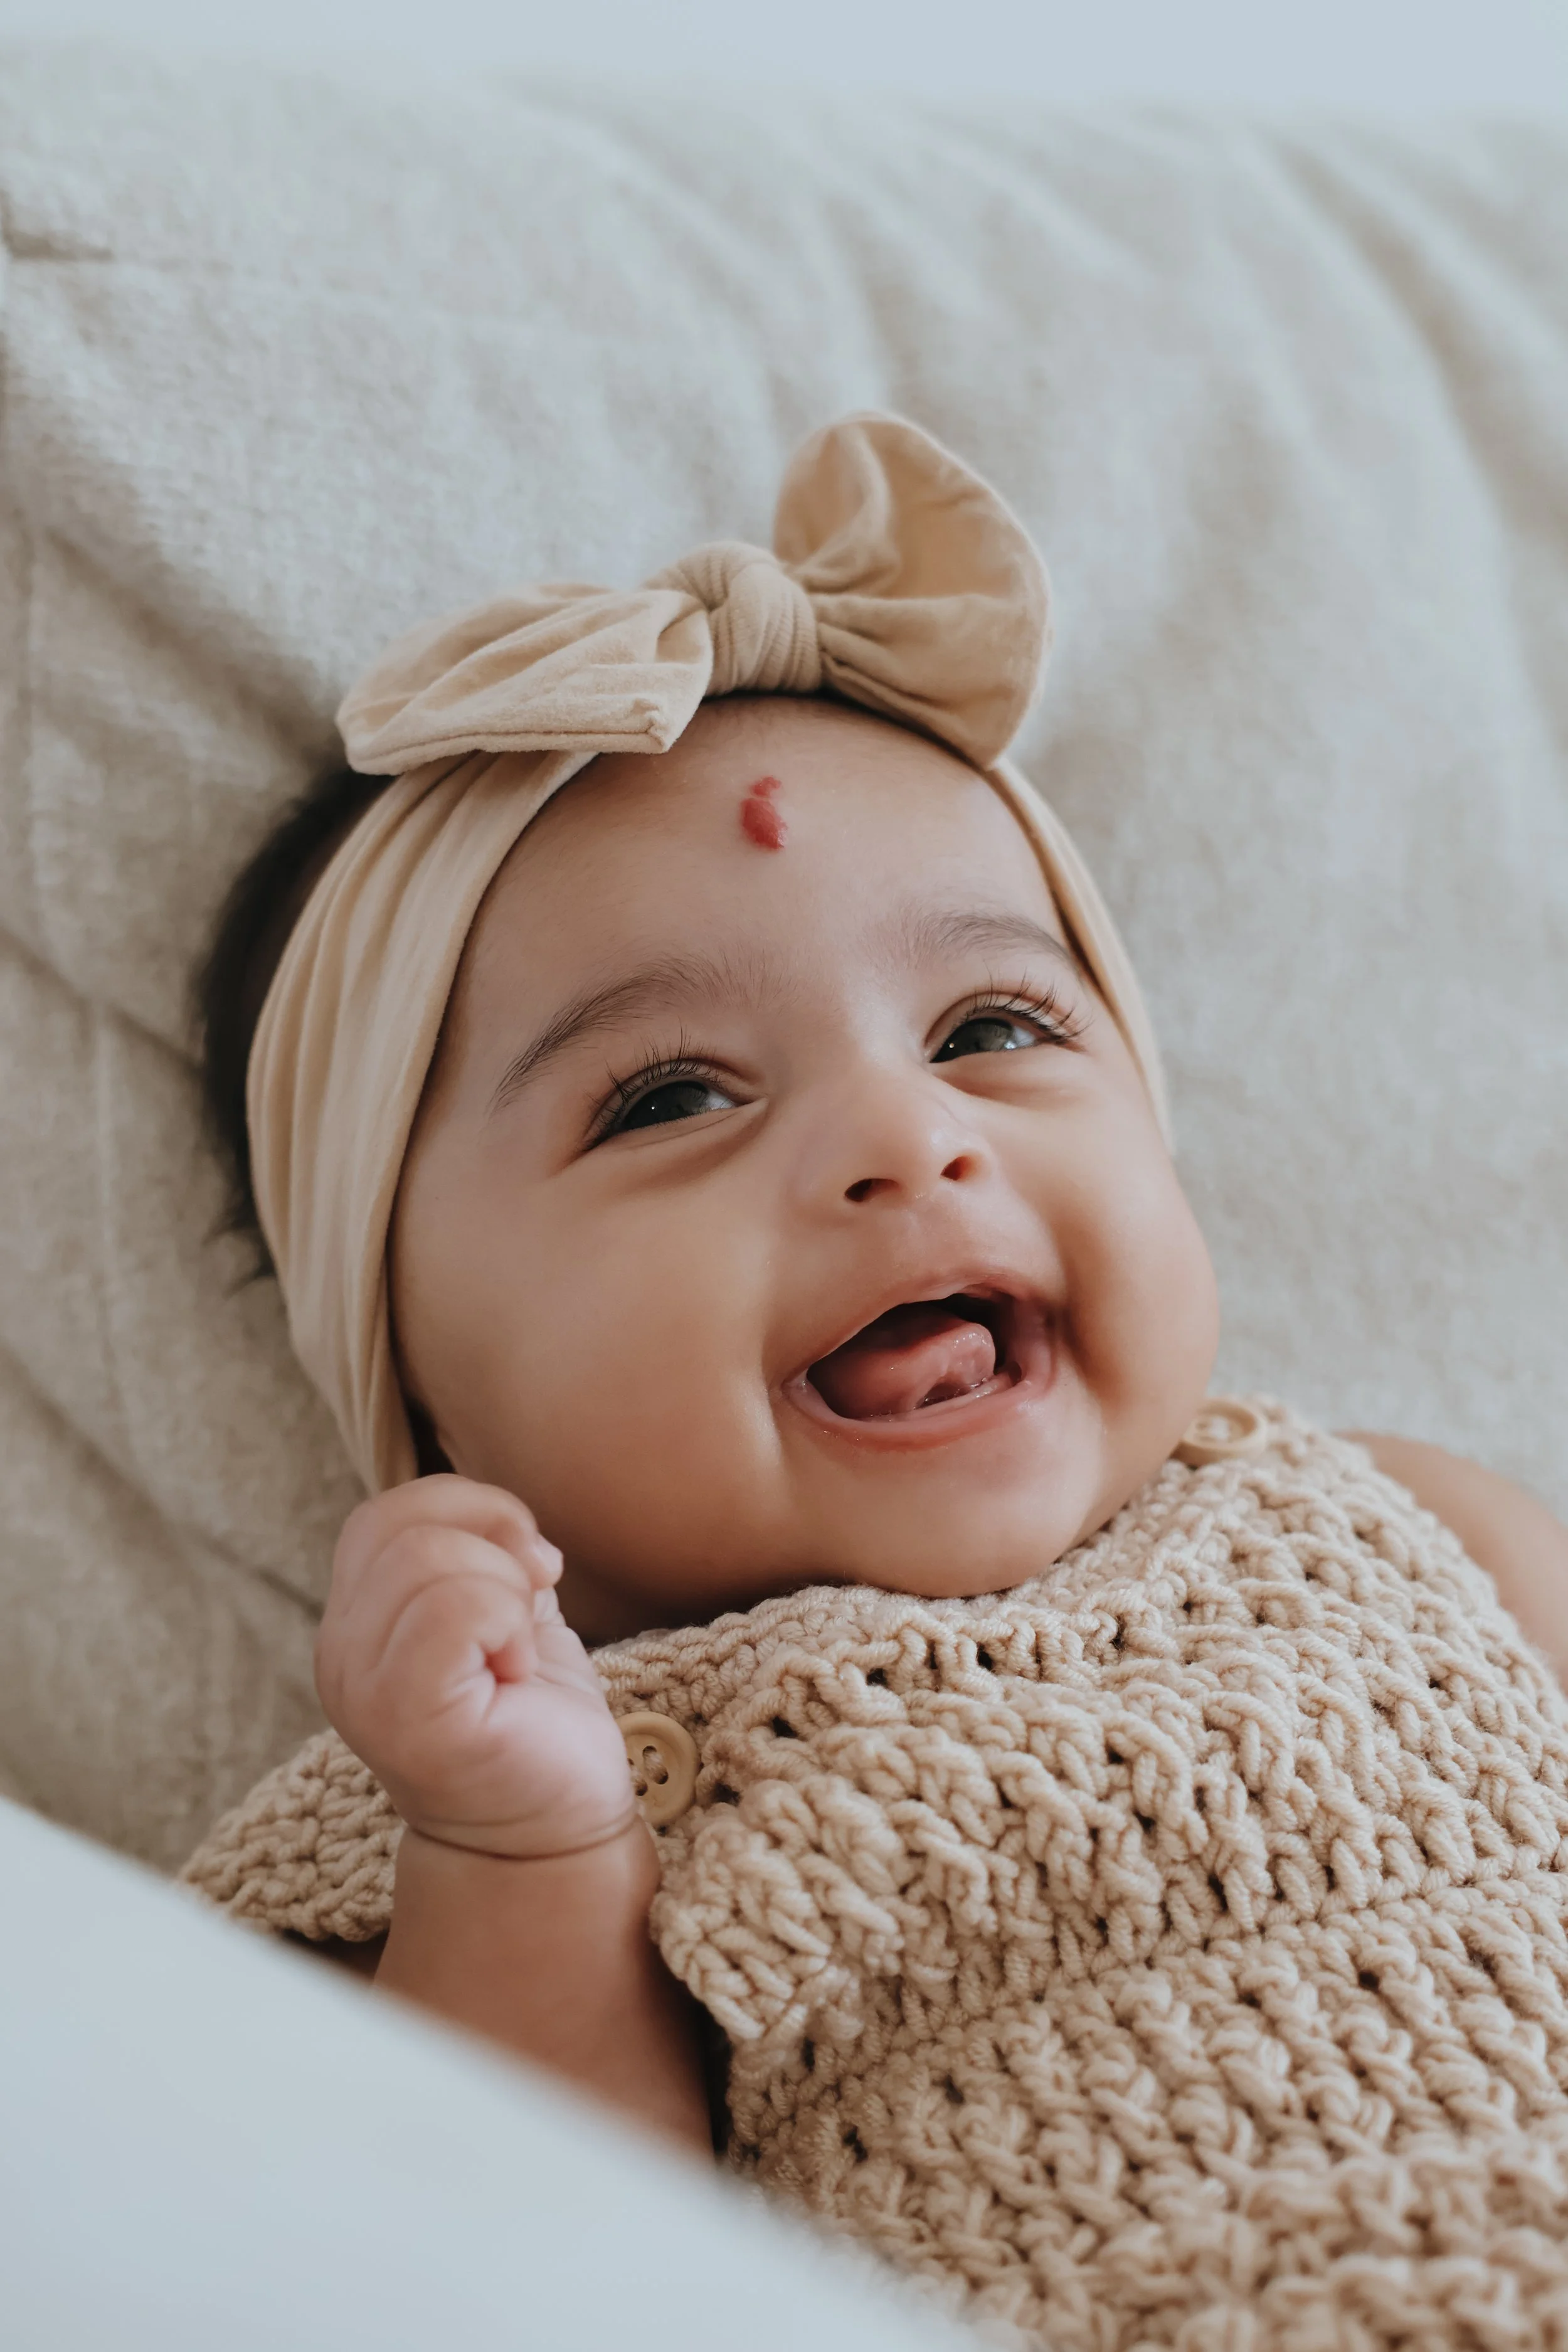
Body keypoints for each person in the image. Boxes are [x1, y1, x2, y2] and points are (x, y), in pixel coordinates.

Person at [188, 415, 1568, 2348]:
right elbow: (508, 2261)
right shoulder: (518, 1796)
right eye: (669, 1094)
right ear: (426, 1396)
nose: (904, 1137)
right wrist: (516, 1852)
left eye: (991, 1025)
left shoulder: (1419, 1526)